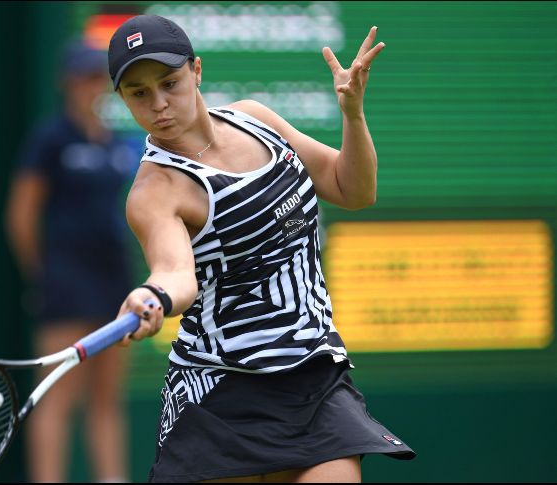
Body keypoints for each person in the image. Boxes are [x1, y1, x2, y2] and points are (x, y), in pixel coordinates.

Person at [106, 15, 416, 483]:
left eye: (169, 82)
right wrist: (153, 295)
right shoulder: (155, 191)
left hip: (313, 375)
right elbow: (175, 272)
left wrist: (352, 114)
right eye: (139, 93)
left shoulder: (257, 119)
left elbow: (351, 188)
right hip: (221, 393)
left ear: (196, 71)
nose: (159, 104)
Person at [5, 41, 136, 483]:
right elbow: (21, 215)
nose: (90, 86)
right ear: (66, 83)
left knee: (106, 397)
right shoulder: (50, 138)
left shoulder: (118, 142)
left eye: (96, 77)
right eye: (82, 77)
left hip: (114, 278)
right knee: (57, 396)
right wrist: (44, 275)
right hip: (65, 281)